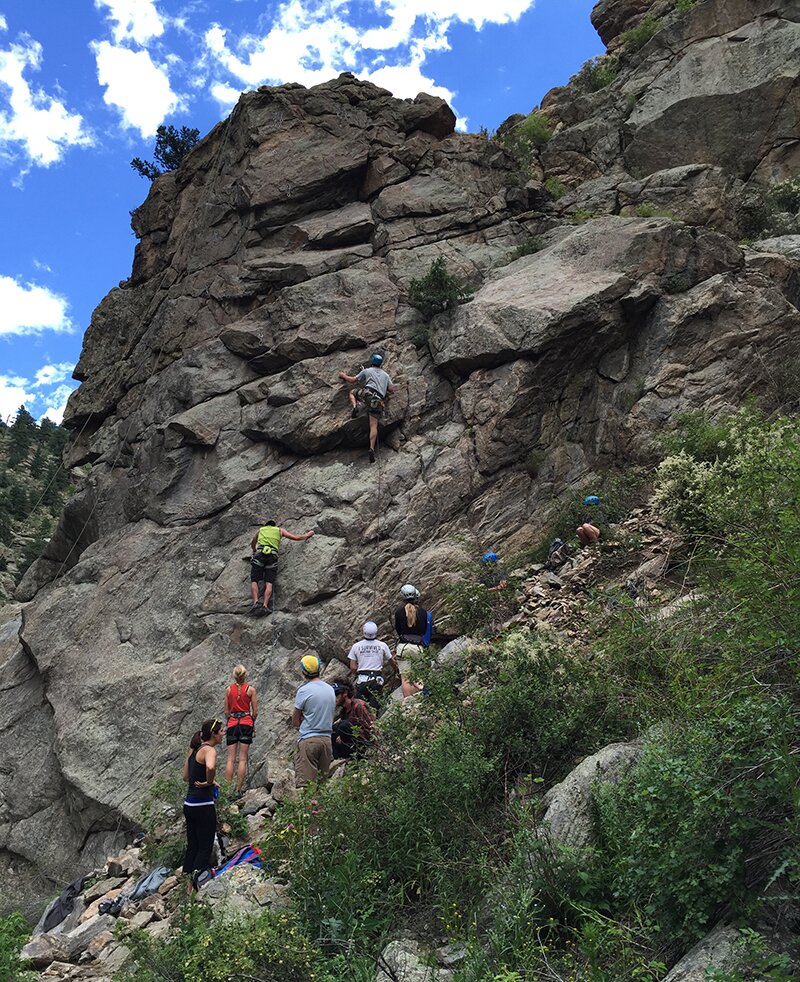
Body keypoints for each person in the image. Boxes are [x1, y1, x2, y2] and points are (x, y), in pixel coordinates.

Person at [183, 718, 224, 891]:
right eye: (221, 731)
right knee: (205, 847)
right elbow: (211, 767)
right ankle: (196, 885)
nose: (223, 735)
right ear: (214, 734)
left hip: (189, 804)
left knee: (192, 845)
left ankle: (186, 887)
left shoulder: (194, 751)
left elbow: (186, 777)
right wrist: (209, 781)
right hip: (203, 805)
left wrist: (207, 781)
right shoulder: (209, 750)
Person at [337, 353, 395, 463]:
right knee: (373, 425)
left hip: (367, 395)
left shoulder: (367, 371)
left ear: (372, 361)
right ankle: (372, 448)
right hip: (378, 401)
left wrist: (343, 375)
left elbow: (353, 380)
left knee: (352, 392)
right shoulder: (386, 375)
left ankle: (356, 406)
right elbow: (391, 389)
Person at [249, 520, 315, 616]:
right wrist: (308, 534)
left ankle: (255, 603)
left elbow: (252, 543)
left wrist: (255, 550)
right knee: (269, 582)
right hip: (272, 557)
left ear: (266, 525)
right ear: (274, 526)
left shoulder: (261, 530)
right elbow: (296, 537)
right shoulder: (280, 530)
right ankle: (265, 605)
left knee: (254, 580)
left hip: (260, 554)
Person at [292, 655, 336, 788]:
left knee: (305, 785)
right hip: (327, 740)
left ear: (304, 672)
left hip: (309, 739)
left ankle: (307, 809)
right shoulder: (330, 689)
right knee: (322, 785)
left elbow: (295, 719)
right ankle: (321, 808)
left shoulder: (304, 691)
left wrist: (301, 723)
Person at [347, 621, 398, 712]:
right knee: (374, 709)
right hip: (376, 681)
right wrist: (397, 670)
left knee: (361, 708)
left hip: (362, 680)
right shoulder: (382, 645)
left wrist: (357, 673)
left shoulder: (356, 646)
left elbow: (353, 667)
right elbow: (392, 662)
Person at [224, 665, 257, 796]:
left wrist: (231, 717)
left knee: (230, 759)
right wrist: (251, 720)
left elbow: (226, 711)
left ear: (234, 676)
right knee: (242, 758)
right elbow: (255, 712)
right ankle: (238, 790)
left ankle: (227, 790)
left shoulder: (228, 690)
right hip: (246, 723)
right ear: (245, 675)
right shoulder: (250, 690)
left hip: (232, 723)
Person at [394, 584, 433, 698]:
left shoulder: (399, 612)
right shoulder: (424, 613)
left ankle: (408, 704)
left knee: (406, 678)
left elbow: (399, 630)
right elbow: (424, 631)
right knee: (418, 676)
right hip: (418, 647)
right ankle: (422, 696)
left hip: (403, 647)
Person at [331, 681, 374, 759]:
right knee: (332, 730)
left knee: (343, 726)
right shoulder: (344, 711)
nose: (334, 698)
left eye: (336, 694)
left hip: (365, 744)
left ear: (345, 693)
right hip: (352, 744)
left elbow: (370, 730)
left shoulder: (359, 706)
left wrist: (347, 734)